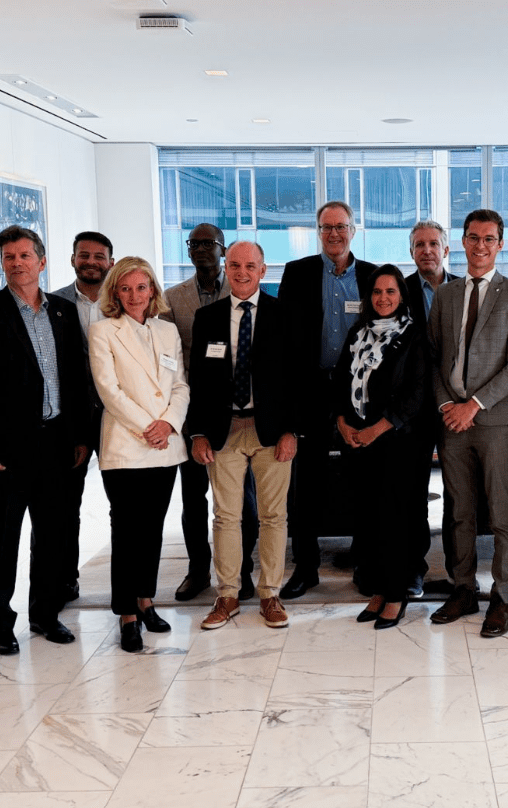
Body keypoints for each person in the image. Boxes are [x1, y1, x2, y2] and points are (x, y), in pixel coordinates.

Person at [0, 225, 95, 654]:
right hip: (4, 449)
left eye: (24, 256)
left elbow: (74, 378)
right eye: (8, 257)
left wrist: (79, 436)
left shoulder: (62, 310)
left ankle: (45, 614)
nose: (16, 263)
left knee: (53, 534)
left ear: (41, 261)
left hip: (57, 441)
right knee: (1, 539)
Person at [427, 209, 508, 638]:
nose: (480, 245)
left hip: (495, 420)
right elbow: (434, 357)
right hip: (451, 421)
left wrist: (474, 404)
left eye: (489, 239)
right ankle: (463, 588)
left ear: (500, 244)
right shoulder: (447, 295)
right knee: (459, 512)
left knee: (502, 511)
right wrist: (445, 407)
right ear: (463, 241)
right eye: (473, 237)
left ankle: (502, 598)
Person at [187, 241, 298, 630]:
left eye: (250, 265)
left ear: (263, 270)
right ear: (226, 268)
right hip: (224, 430)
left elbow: (298, 380)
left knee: (273, 517)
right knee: (225, 517)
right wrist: (198, 433)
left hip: (273, 432)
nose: (241, 272)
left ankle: (270, 595)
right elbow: (197, 381)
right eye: (234, 265)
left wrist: (292, 431)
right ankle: (228, 594)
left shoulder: (284, 315)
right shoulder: (208, 317)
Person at [277, 201, 381, 599]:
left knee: (364, 482)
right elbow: (286, 341)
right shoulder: (298, 273)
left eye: (341, 226)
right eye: (326, 227)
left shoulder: (373, 276)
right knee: (306, 486)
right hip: (312, 393)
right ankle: (305, 568)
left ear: (353, 230)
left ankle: (364, 563)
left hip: (361, 396)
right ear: (318, 232)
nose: (334, 234)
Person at [89, 257, 190, 650]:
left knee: (152, 528)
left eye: (141, 288)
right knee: (128, 530)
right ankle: (127, 615)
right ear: (115, 292)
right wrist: (148, 427)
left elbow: (180, 384)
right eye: (126, 288)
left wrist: (168, 423)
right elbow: (108, 390)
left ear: (152, 291)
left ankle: (146, 600)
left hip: (165, 447)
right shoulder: (103, 331)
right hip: (127, 447)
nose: (134, 296)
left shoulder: (167, 331)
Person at [160, 223, 259, 602]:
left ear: (224, 251)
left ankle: (242, 570)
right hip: (192, 412)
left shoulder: (239, 288)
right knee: (193, 497)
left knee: (242, 500)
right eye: (195, 244)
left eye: (210, 244)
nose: (202, 249)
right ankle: (198, 569)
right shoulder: (173, 298)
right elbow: (167, 358)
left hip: (237, 413)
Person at [332, 265, 430, 630]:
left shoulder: (413, 335)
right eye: (377, 292)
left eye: (391, 291)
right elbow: (342, 379)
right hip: (358, 444)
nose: (383, 298)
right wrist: (342, 421)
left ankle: (396, 595)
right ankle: (377, 590)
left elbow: (416, 393)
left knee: (395, 521)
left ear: (401, 295)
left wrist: (376, 429)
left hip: (399, 444)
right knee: (368, 520)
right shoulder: (358, 331)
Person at [48, 230, 113, 604]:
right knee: (63, 505)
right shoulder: (52, 303)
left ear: (110, 262)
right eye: (83, 255)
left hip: (115, 416)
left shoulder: (123, 300)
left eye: (98, 256)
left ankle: (130, 583)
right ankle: (64, 580)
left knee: (122, 504)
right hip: (69, 420)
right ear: (73, 259)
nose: (91, 262)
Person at [403, 221, 459, 597]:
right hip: (414, 409)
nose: (427, 250)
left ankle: (460, 570)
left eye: (433, 244)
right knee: (413, 493)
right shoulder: (399, 290)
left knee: (458, 492)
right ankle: (414, 570)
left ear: (446, 250)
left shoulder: (463, 289)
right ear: (412, 252)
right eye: (420, 245)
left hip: (458, 405)